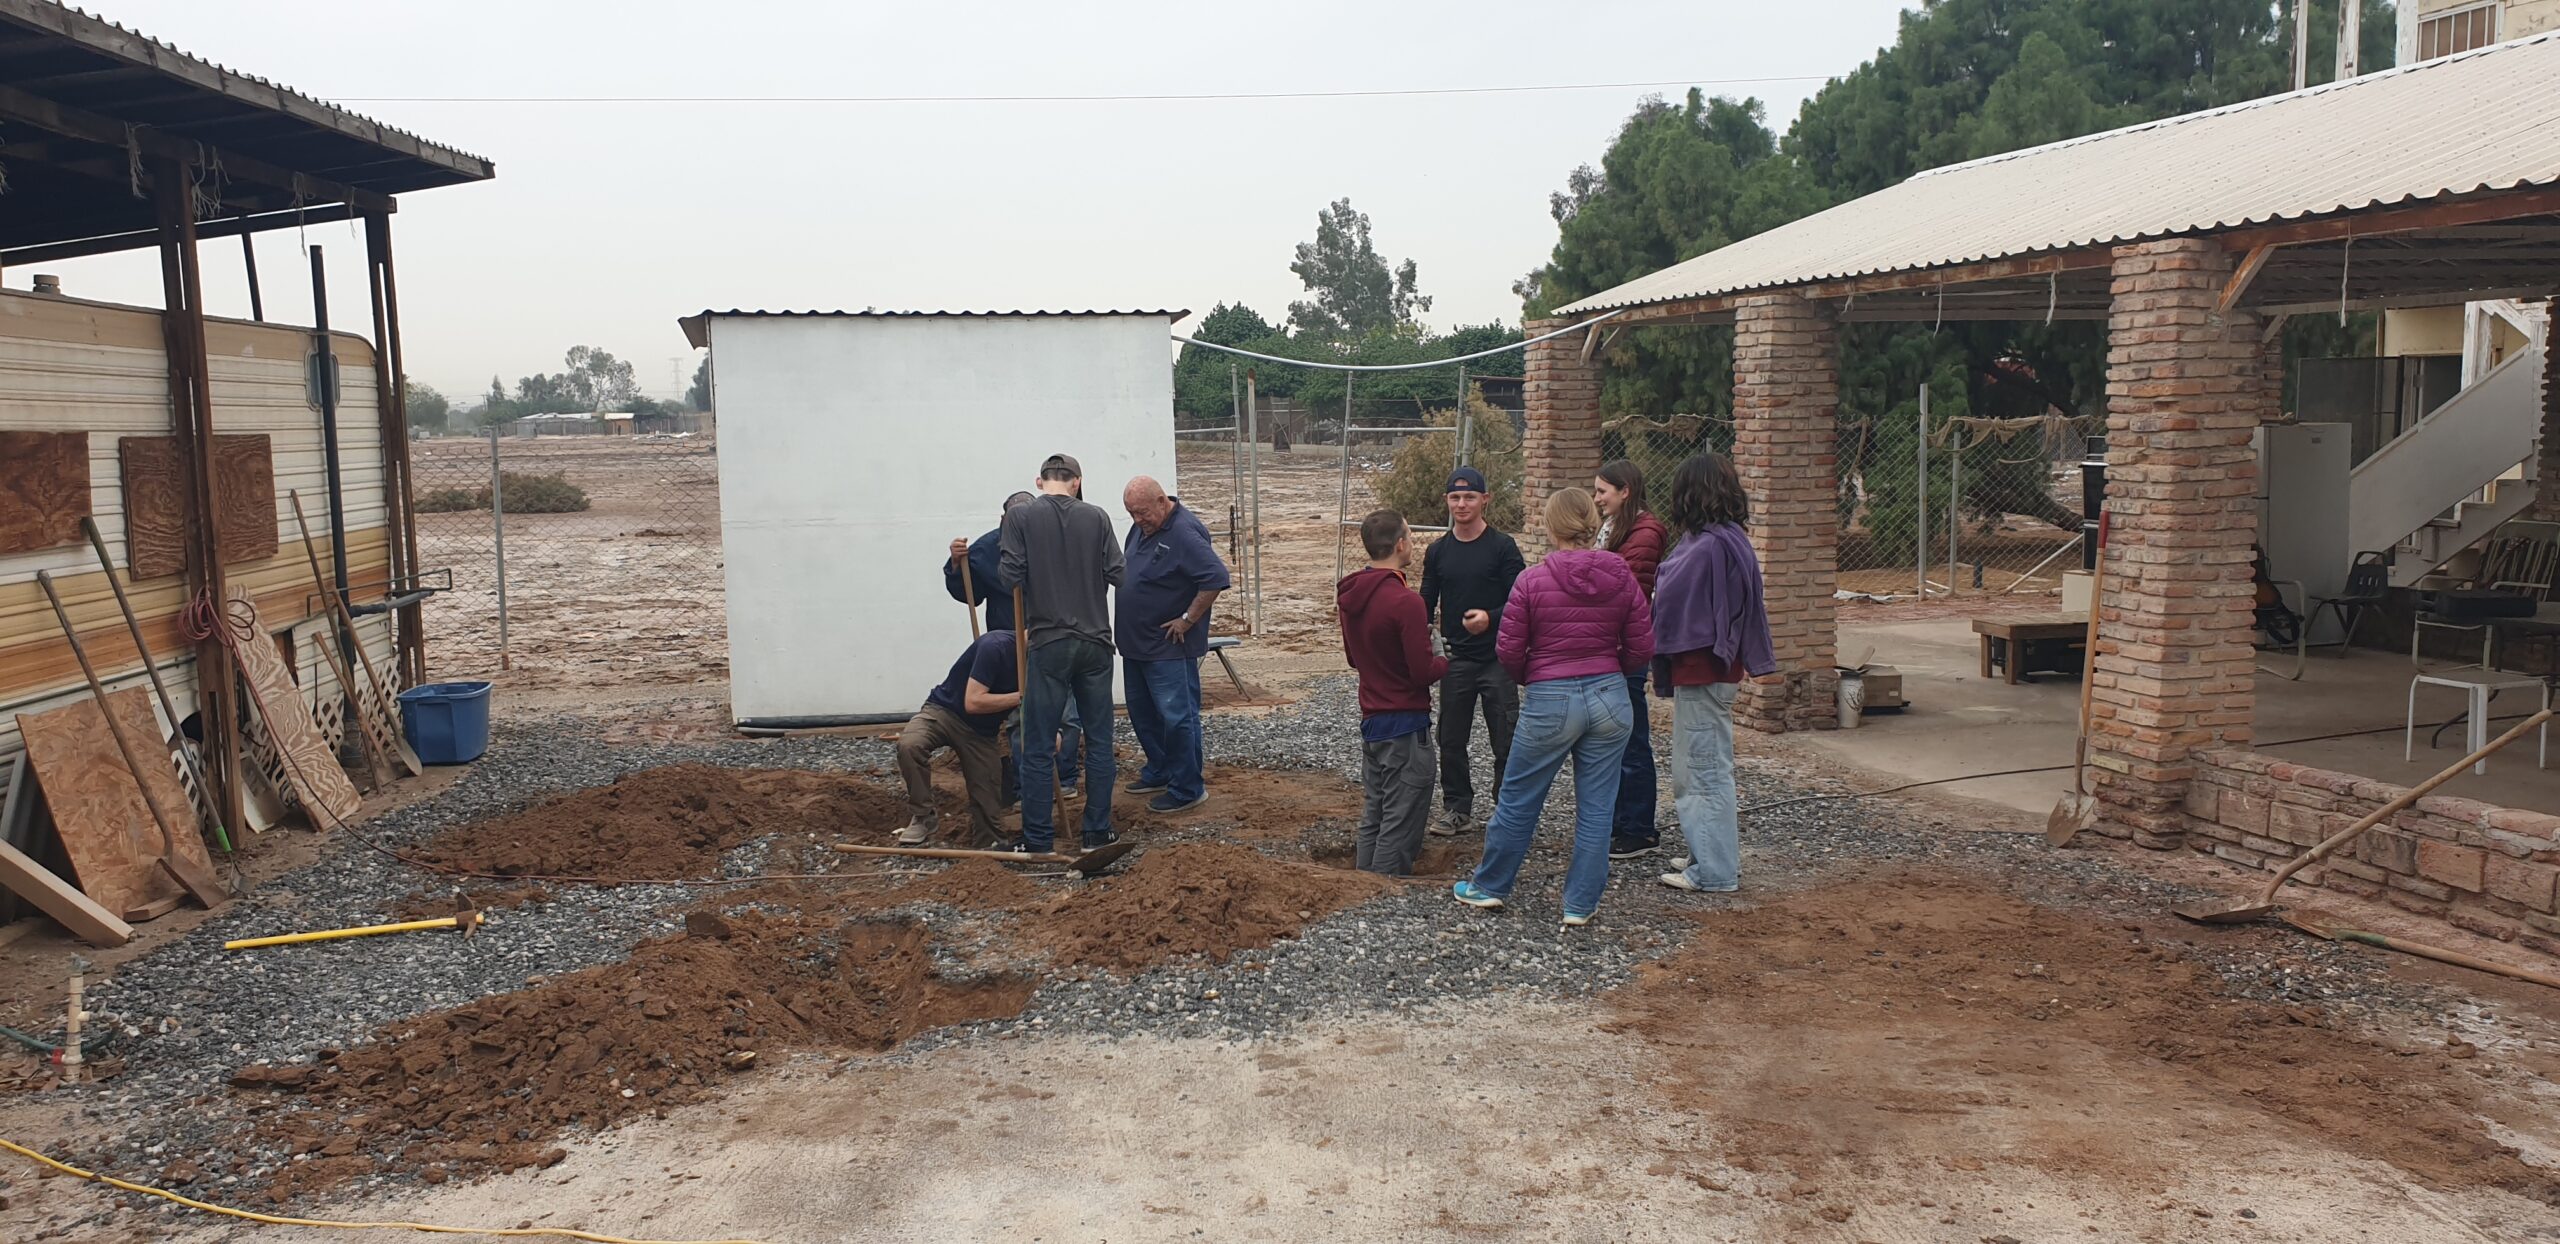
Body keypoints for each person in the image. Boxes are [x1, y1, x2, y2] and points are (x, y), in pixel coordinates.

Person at [1451, 488, 1652, 927]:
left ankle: (1490, 886)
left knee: (1519, 797)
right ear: (1590, 523)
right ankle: (1580, 903)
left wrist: (1537, 677)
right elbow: (1641, 643)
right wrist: (1609, 671)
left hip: (1551, 695)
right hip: (1609, 694)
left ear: (1550, 526)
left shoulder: (1532, 580)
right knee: (1598, 808)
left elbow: (1509, 649)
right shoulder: (1620, 573)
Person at [1648, 452, 1778, 896]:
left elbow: (1677, 602)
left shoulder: (1709, 547)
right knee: (1699, 768)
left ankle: (1714, 871)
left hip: (1703, 670)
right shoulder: (1726, 538)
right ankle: (1705, 854)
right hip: (1709, 671)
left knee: (1702, 773)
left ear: (1690, 493)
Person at [997, 452, 1123, 853]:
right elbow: (1119, 574)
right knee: (1099, 742)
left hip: (1049, 642)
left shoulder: (1021, 516)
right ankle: (1096, 834)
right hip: (1096, 643)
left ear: (1040, 482)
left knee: (1037, 747)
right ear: (1077, 481)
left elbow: (1009, 576)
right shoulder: (1097, 516)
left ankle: (1038, 841)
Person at [948, 492, 1082, 805]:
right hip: (1010, 648)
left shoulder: (1057, 543)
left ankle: (1064, 779)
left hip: (1053, 639)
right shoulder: (986, 549)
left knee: (1066, 713)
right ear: (1003, 520)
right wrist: (955, 565)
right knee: (1020, 718)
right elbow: (969, 594)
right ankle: (1027, 787)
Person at [1338, 509, 1448, 876]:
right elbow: (1422, 673)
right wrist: (1441, 657)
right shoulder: (1406, 602)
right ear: (1400, 544)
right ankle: (1383, 891)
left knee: (1376, 811)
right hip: (1406, 726)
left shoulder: (1351, 594)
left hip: (1373, 720)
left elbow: (1353, 658)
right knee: (1400, 819)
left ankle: (1363, 883)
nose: (1413, 543)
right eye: (1411, 537)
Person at [1419, 466, 1525, 836]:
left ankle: (1506, 810)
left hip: (1497, 658)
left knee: (1506, 737)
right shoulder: (1438, 551)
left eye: (1469, 497)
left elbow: (1521, 600)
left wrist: (1489, 618)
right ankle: (1457, 808)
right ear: (1447, 501)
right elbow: (1426, 600)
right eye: (1455, 497)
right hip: (1456, 659)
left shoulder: (1503, 547)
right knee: (1451, 738)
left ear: (1485, 500)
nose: (1462, 504)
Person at [1118, 476, 1230, 815]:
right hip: (1136, 644)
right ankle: (1161, 769)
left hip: (1167, 647)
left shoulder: (1183, 532)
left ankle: (1187, 788)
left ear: (1161, 501)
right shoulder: (1143, 527)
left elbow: (1215, 578)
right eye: (1131, 513)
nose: (1137, 520)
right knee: (1143, 713)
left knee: (1177, 717)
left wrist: (1187, 619)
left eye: (1142, 512)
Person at [1594, 460, 1671, 860]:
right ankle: (1619, 821)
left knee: (1632, 741)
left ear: (1625, 491)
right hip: (1610, 647)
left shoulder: (1645, 533)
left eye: (1602, 491)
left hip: (1626, 651)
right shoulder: (1615, 529)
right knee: (1613, 741)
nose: (1596, 498)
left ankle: (1638, 828)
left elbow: (1626, 588)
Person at [891, 630, 1019, 848]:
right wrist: (1023, 695)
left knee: (988, 800)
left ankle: (989, 844)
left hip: (981, 733)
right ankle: (923, 816)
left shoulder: (1043, 663)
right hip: (943, 711)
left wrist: (1052, 730)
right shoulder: (996, 646)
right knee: (910, 745)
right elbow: (973, 702)